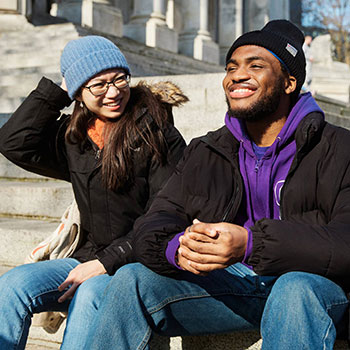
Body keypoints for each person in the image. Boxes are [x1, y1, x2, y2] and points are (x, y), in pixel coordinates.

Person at [85, 20, 350, 350]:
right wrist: (179, 248)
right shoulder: (207, 149)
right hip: (237, 287)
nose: (237, 75)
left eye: (256, 65)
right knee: (131, 280)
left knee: (294, 288)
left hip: (317, 291)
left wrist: (251, 244)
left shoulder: (339, 148)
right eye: (231, 66)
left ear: (289, 82)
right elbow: (153, 222)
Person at [0, 35, 186, 349]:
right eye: (98, 84)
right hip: (87, 258)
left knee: (90, 292)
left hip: (137, 264)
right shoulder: (74, 135)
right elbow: (13, 142)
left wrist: (105, 263)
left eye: (119, 79)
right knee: (12, 285)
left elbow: (165, 218)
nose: (114, 92)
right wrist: (59, 89)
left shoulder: (158, 133)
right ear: (78, 92)